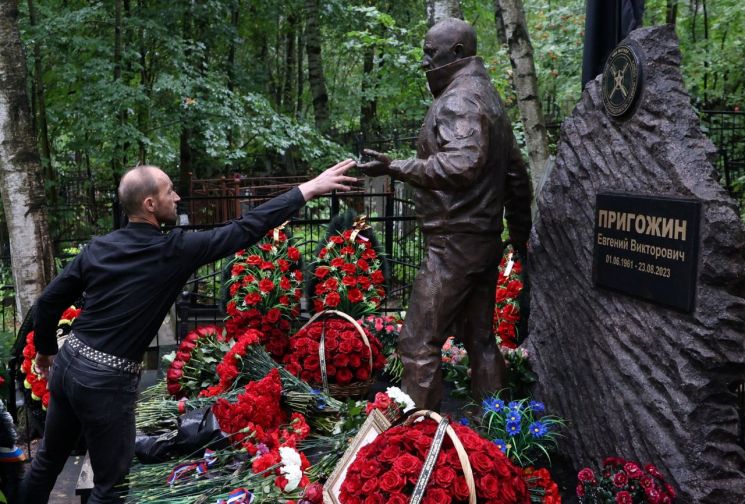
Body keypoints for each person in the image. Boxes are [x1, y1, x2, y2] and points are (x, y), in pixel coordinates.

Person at [21, 160, 357, 503]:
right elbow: (245, 228)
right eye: (170, 191)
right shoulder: (173, 251)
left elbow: (48, 302)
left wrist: (46, 351)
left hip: (68, 365)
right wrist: (308, 188)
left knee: (48, 460)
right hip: (106, 383)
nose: (177, 197)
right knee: (110, 488)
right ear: (150, 204)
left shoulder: (98, 248)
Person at [359, 18, 532, 410]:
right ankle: (497, 436)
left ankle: (417, 446)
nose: (424, 61)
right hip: (482, 241)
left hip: (454, 244)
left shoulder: (460, 100)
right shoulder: (487, 97)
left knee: (418, 342)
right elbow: (516, 177)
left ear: (455, 53)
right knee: (481, 340)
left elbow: (462, 165)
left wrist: (396, 166)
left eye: (429, 51)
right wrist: (519, 236)